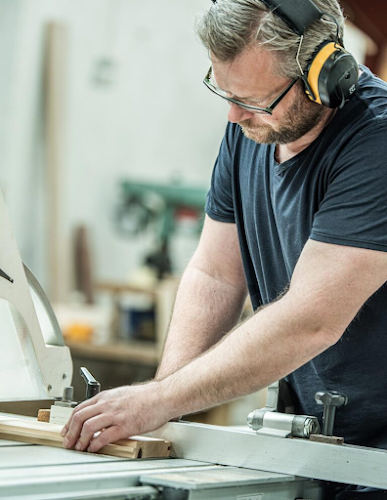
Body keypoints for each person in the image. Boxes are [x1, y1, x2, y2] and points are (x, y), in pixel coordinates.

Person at [62, 0, 387, 497]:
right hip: (320, 441)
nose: (233, 116)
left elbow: (312, 318)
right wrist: (161, 403)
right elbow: (215, 272)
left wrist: (161, 399)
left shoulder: (376, 143)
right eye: (225, 92)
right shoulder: (249, 130)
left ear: (325, 75)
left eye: (254, 101)